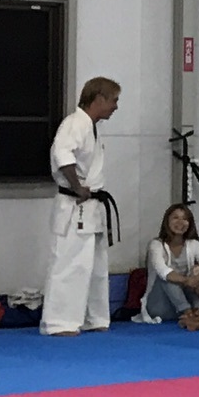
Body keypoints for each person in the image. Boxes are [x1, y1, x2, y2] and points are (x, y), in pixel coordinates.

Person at [44, 76, 120, 336]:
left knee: (95, 268)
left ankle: (94, 317)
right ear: (98, 99)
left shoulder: (91, 126)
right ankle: (59, 322)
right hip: (75, 205)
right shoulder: (75, 123)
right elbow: (62, 155)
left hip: (92, 206)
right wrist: (77, 186)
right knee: (70, 264)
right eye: (114, 100)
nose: (116, 106)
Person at [143, 204, 199, 325]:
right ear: (167, 221)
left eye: (185, 219)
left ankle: (195, 311)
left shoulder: (194, 244)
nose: (180, 222)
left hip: (187, 301)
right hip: (160, 306)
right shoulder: (156, 245)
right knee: (168, 277)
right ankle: (188, 312)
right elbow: (163, 271)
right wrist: (188, 281)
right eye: (175, 218)